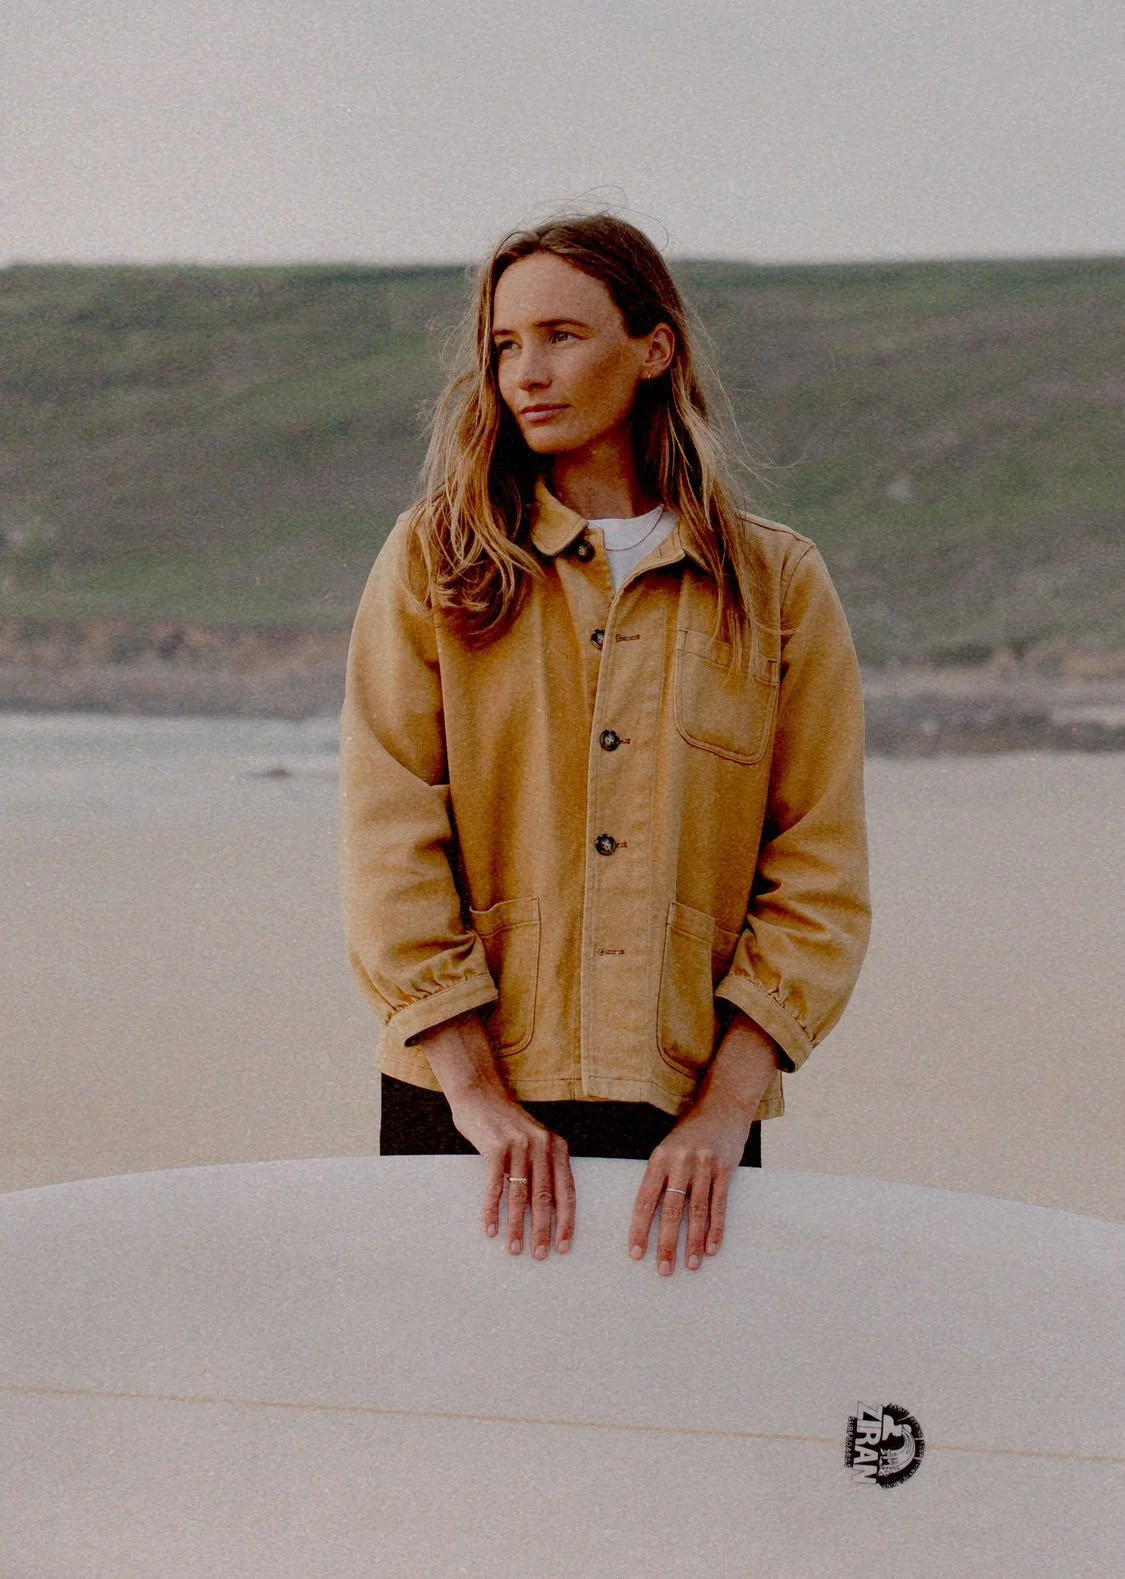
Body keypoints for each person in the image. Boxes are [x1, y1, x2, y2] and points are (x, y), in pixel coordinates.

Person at [339, 211, 870, 1278]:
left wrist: (725, 1111)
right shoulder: (435, 561)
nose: (526, 371)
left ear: (654, 347)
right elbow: (388, 834)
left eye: (562, 336)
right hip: (459, 1104)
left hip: (686, 1119)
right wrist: (478, 1097)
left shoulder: (776, 589)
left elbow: (819, 866)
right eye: (503, 345)